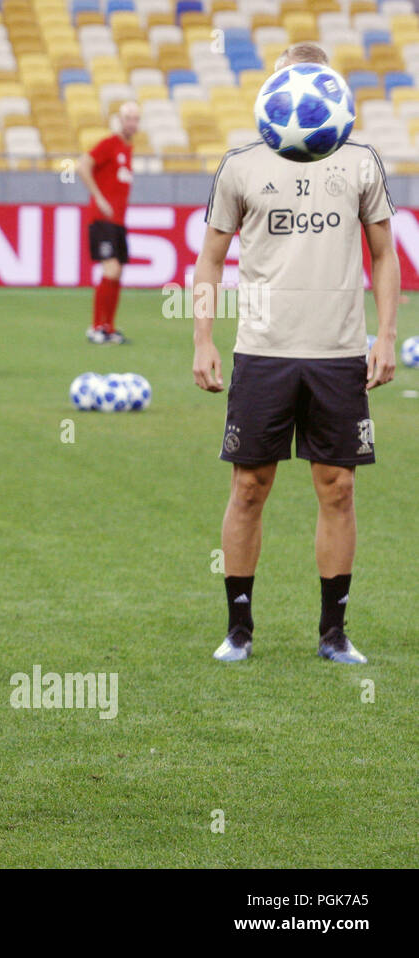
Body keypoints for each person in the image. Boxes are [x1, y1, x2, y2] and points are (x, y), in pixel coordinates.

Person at [192, 42, 397, 665]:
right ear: (274, 89)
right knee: (249, 486)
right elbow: (210, 257)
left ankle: (333, 633)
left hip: (338, 354)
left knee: (337, 489)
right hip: (263, 351)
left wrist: (384, 334)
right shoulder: (241, 165)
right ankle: (239, 631)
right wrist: (202, 337)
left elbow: (385, 253)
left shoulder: (362, 160)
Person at [78, 101, 140, 345]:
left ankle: (109, 327)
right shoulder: (110, 144)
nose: (132, 123)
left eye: (136, 119)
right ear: (120, 120)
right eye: (128, 118)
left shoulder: (128, 149)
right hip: (102, 219)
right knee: (111, 270)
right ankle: (95, 327)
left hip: (117, 222)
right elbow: (83, 166)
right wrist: (99, 198)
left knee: (118, 273)